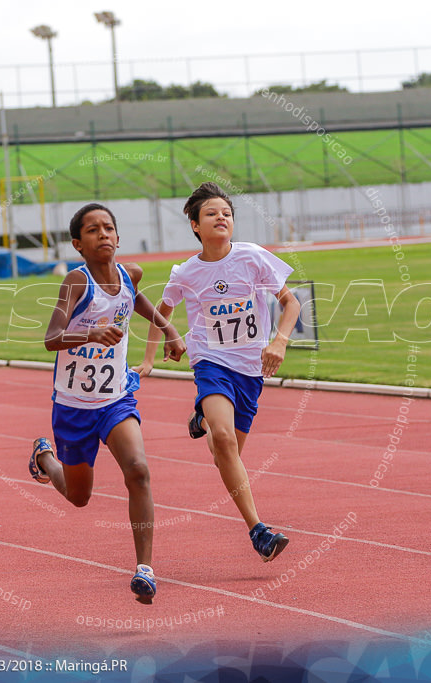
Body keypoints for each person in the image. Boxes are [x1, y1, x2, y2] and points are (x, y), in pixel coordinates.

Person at [29, 203, 184, 603]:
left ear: (117, 237)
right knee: (80, 497)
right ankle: (45, 458)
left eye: (109, 228)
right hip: (73, 406)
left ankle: (145, 570)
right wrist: (91, 334)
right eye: (94, 231)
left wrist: (168, 330)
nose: (104, 235)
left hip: (115, 397)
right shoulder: (75, 283)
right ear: (79, 244)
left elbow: (138, 302)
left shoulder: (129, 275)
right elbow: (50, 339)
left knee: (138, 470)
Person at [136, 182, 300, 562]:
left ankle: (204, 420)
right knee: (226, 442)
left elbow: (290, 304)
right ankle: (258, 531)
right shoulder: (187, 272)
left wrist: (280, 341)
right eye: (211, 213)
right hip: (211, 363)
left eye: (226, 213)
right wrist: (148, 357)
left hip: (250, 371)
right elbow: (162, 310)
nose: (221, 217)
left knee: (223, 450)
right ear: (195, 225)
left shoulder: (253, 258)